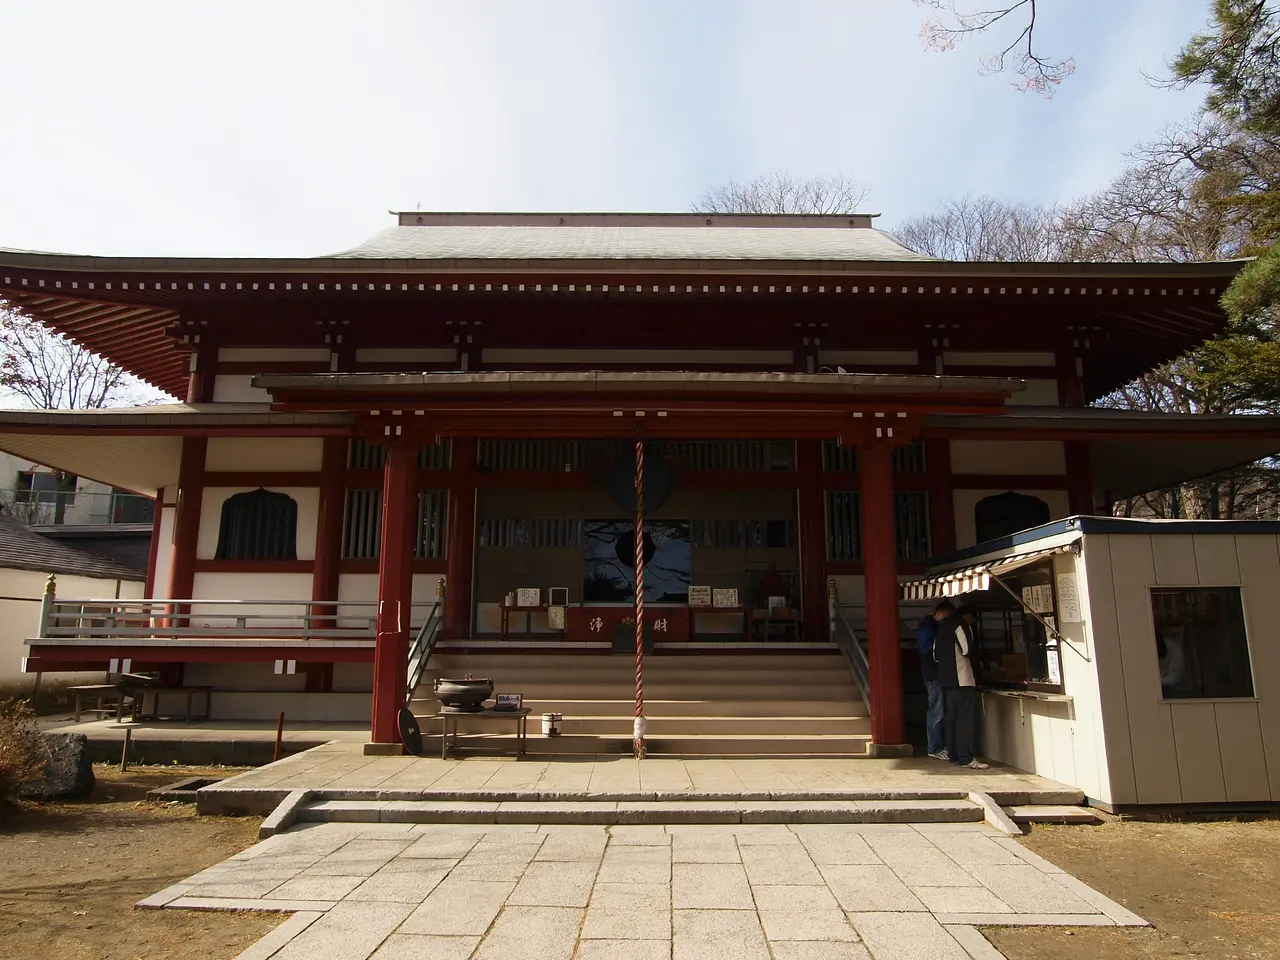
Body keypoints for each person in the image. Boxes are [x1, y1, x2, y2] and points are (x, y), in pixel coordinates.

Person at [935, 603, 988, 769]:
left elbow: (935, 655)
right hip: (962, 678)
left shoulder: (940, 628)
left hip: (946, 679)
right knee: (964, 720)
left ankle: (953, 754)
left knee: (951, 718)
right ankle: (965, 757)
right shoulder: (960, 625)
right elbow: (966, 650)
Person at [917, 599, 955, 760]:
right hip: (934, 674)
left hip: (940, 673)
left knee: (941, 710)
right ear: (938, 614)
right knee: (937, 710)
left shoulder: (936, 628)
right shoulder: (928, 628)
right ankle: (935, 747)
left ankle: (941, 745)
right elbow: (927, 650)